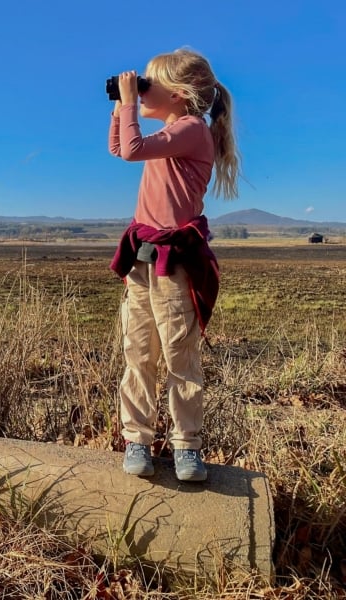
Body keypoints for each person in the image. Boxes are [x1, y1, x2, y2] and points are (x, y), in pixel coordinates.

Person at [107, 48, 240, 481]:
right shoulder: (175, 129)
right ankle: (137, 439)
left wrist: (130, 102)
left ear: (180, 95)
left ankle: (187, 446)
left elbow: (130, 150)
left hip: (174, 263)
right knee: (138, 352)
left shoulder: (191, 131)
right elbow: (119, 146)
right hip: (142, 261)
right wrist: (120, 106)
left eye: (149, 83)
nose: (142, 88)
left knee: (179, 355)